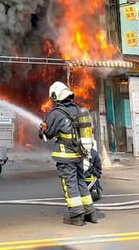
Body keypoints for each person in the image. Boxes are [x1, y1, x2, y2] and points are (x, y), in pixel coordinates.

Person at [39, 81, 97, 226]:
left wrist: (42, 129)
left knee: (69, 184)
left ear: (54, 96)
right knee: (81, 182)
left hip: (66, 156)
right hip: (79, 154)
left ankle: (77, 216)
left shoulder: (56, 113)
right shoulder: (77, 109)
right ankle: (90, 213)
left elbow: (48, 133)